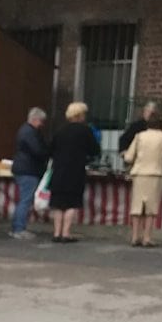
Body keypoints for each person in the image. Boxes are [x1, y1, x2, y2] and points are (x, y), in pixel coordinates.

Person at [49, 102, 100, 243]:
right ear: (80, 115)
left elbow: (50, 149)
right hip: (75, 172)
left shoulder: (60, 131)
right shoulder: (85, 131)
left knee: (58, 204)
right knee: (71, 203)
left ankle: (56, 233)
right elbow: (95, 150)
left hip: (58, 171)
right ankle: (66, 233)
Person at [123, 112, 162, 248]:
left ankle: (135, 236)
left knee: (137, 206)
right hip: (156, 174)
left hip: (139, 173)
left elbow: (128, 157)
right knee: (151, 207)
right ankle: (147, 237)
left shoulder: (139, 136)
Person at [10, 107, 49, 239]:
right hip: (28, 170)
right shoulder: (29, 132)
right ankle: (19, 228)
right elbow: (37, 150)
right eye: (41, 121)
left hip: (23, 168)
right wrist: (47, 153)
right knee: (25, 200)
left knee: (23, 199)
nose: (42, 124)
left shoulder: (25, 130)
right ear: (35, 119)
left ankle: (16, 227)